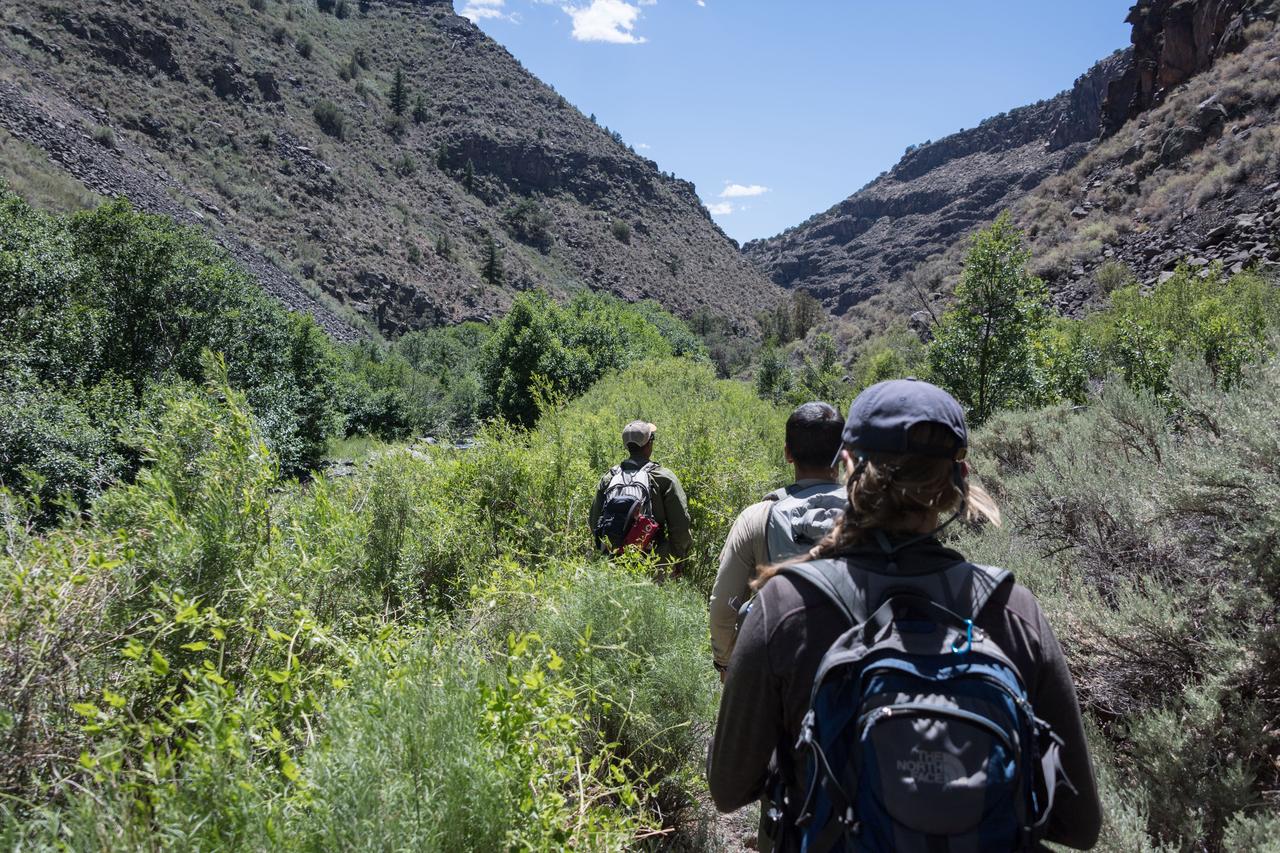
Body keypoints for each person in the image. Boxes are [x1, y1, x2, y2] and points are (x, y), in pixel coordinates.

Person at [708, 379, 1102, 852]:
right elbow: (1079, 826)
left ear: (848, 465)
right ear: (959, 477)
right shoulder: (1012, 610)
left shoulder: (788, 607)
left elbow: (728, 789)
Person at [709, 401, 845, 677]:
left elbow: (724, 605)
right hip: (856, 674)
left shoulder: (758, 516)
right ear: (844, 454)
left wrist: (725, 663)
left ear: (787, 453)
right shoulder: (875, 512)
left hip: (782, 671)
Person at [589, 420, 692, 571]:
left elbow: (594, 521)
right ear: (649, 444)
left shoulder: (609, 478)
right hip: (655, 562)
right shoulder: (664, 478)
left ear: (627, 447)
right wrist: (678, 560)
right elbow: (681, 525)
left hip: (614, 563)